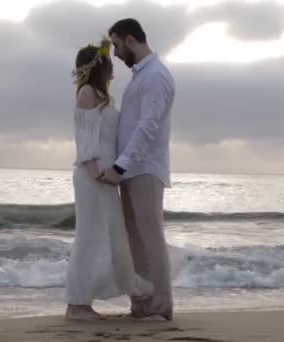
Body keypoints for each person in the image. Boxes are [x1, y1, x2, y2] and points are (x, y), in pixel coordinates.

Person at [64, 37, 152, 321]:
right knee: (89, 237)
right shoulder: (87, 92)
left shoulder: (104, 98)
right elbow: (85, 137)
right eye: (108, 62)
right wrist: (94, 171)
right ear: (99, 66)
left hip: (106, 176)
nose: (113, 68)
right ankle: (76, 305)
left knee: (112, 237)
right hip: (93, 176)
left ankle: (135, 294)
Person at [98, 18, 176, 321]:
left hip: (145, 168)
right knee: (136, 240)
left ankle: (161, 305)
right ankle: (143, 302)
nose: (115, 53)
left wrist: (120, 165)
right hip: (131, 170)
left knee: (151, 237)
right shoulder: (140, 77)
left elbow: (148, 127)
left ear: (130, 41)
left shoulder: (155, 76)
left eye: (116, 45)